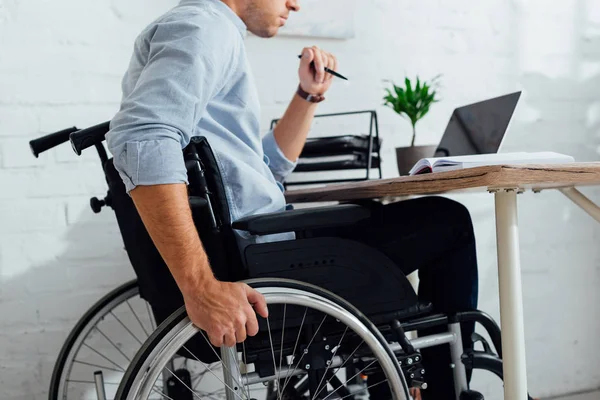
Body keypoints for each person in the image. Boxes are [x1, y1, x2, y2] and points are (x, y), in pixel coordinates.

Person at [106, 0, 479, 398]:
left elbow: (265, 168)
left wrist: (308, 95)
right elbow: (142, 139)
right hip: (263, 259)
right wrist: (200, 287)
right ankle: (444, 391)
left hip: (259, 245)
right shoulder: (204, 28)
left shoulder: (210, 31)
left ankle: (399, 379)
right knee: (449, 220)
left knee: (373, 221)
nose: (294, 4)